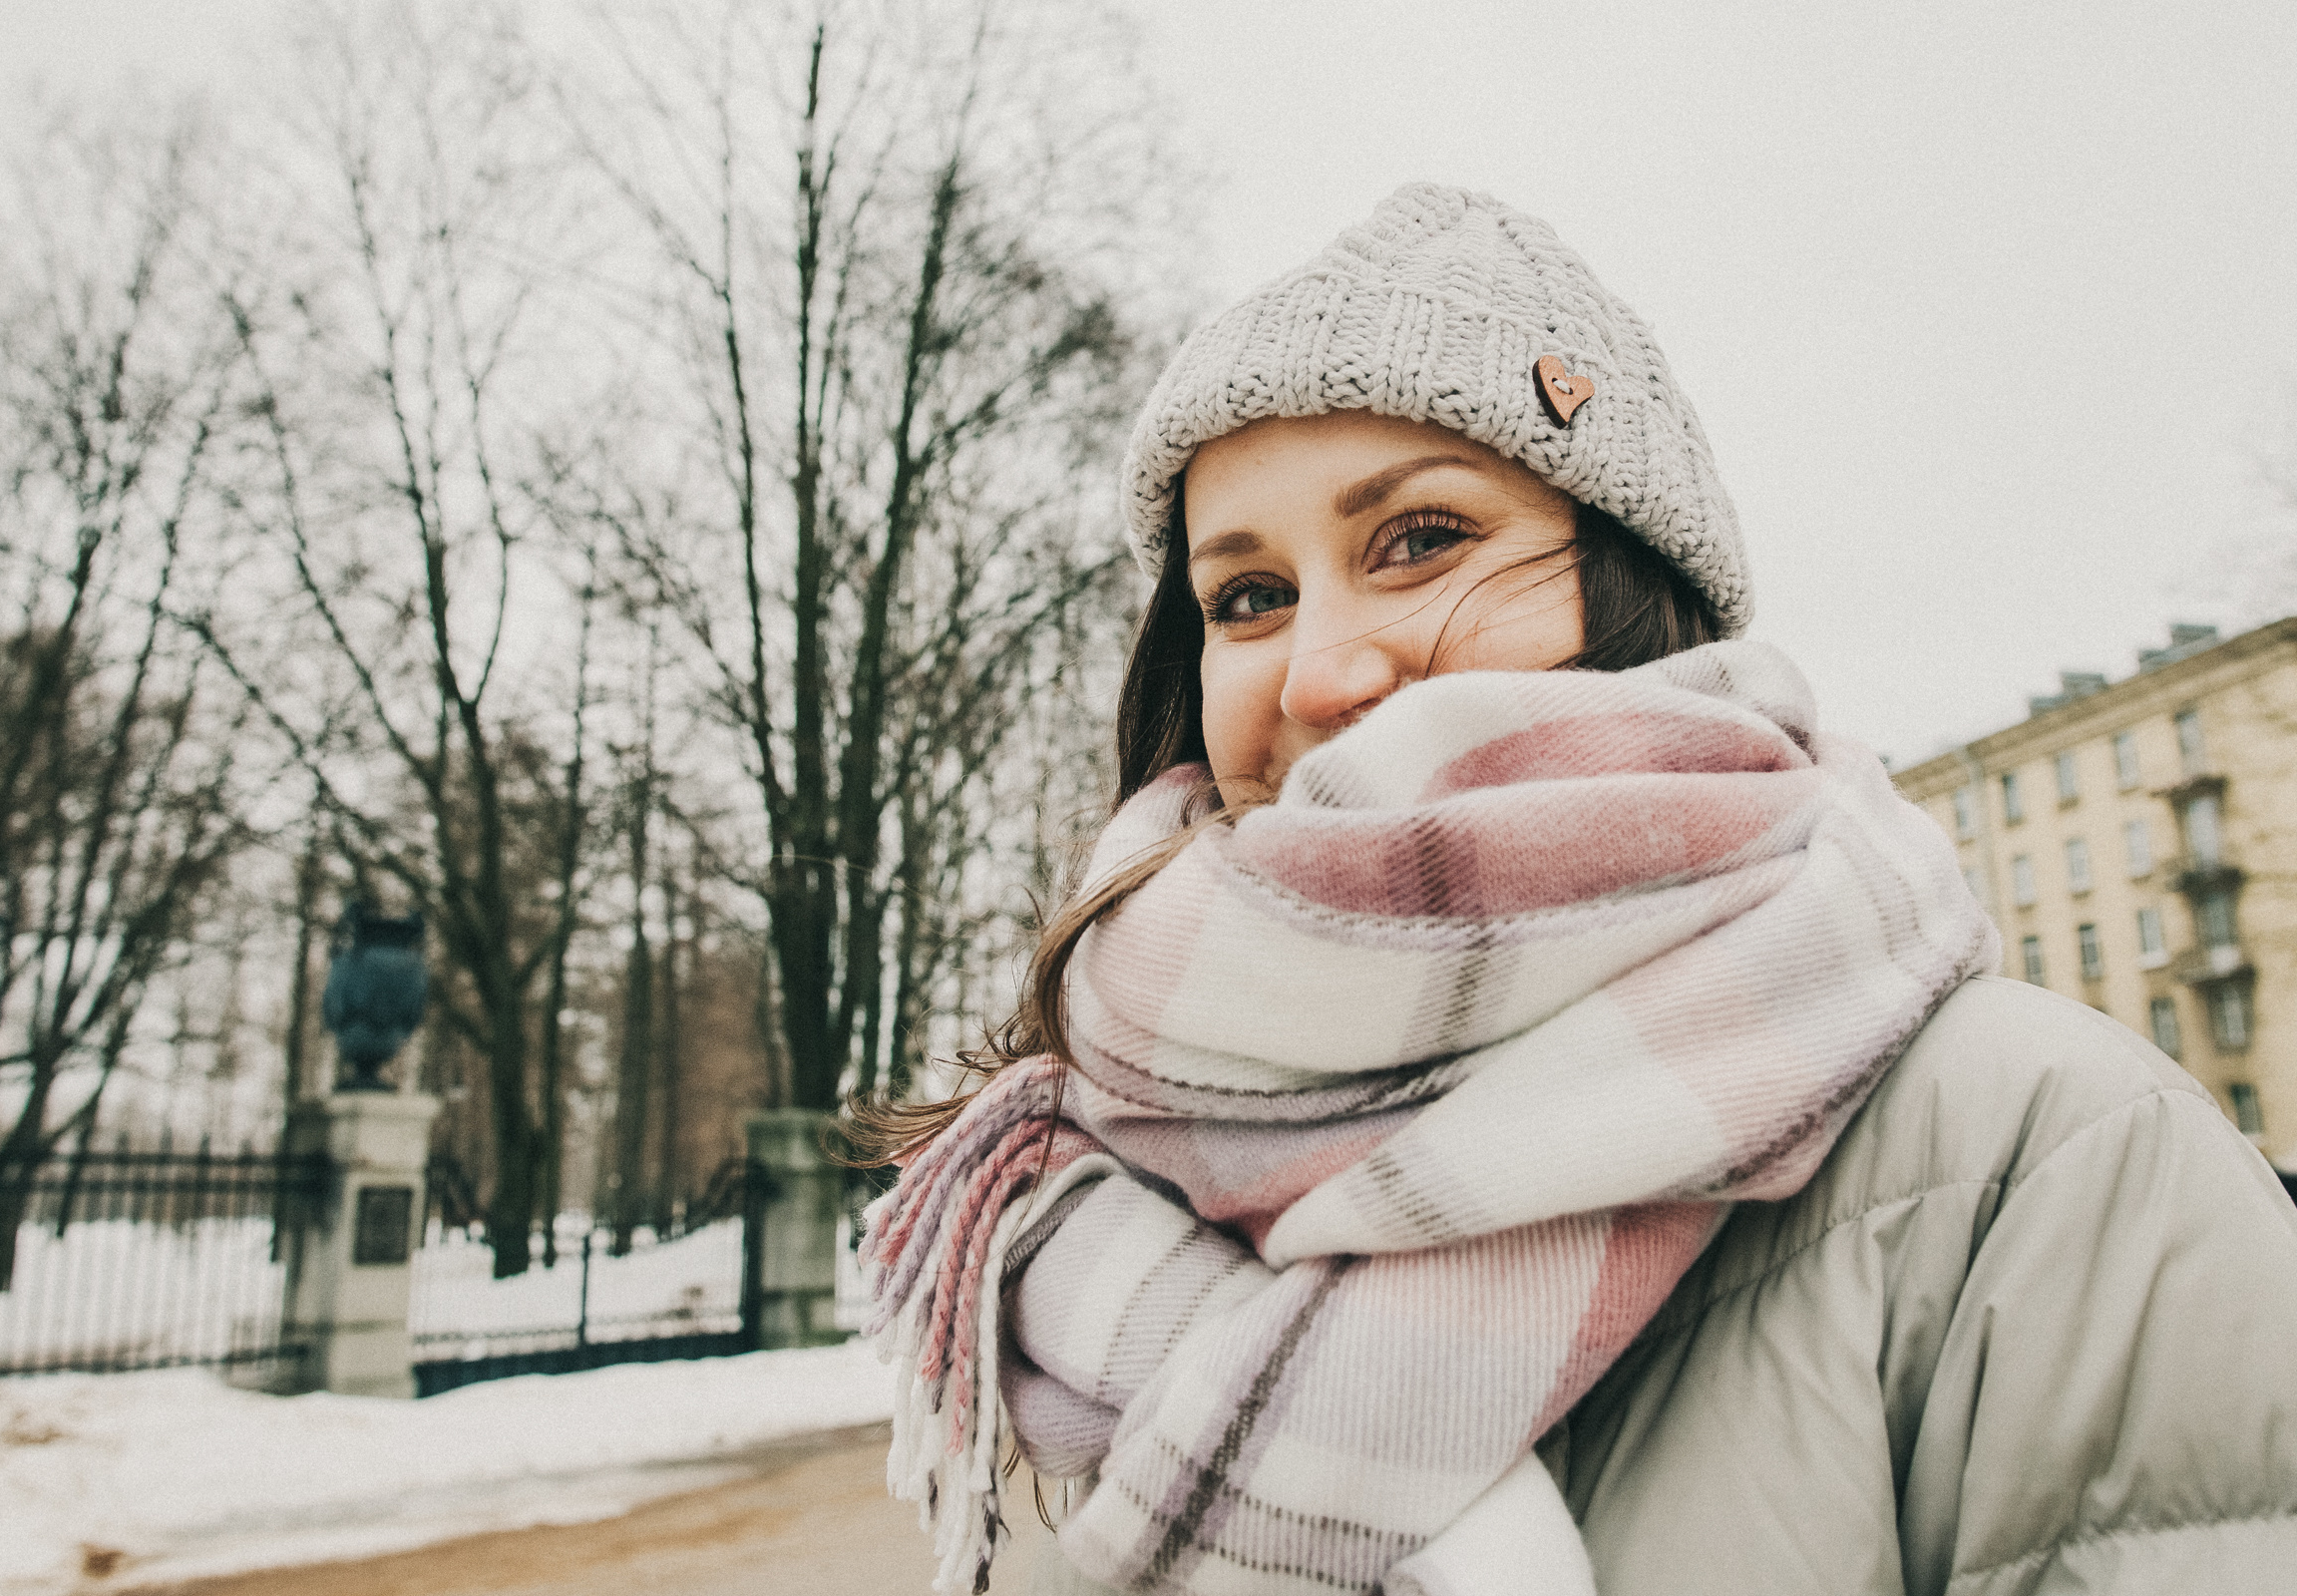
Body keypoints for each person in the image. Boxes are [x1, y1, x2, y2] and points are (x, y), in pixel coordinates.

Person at [857, 184, 2297, 1596]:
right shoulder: (1102, 1176)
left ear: (1632, 580)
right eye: (1247, 596)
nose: (1318, 672)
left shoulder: (2046, 1156)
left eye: (1420, 541)